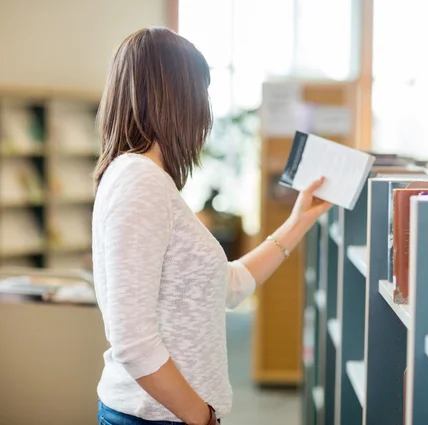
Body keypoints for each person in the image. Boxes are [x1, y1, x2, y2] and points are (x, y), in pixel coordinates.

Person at [92, 27, 332, 425]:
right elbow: (132, 341)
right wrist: (201, 417)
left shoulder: (147, 179)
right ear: (178, 96)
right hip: (157, 417)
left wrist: (298, 222)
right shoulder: (140, 182)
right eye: (201, 91)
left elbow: (230, 284)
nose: (205, 108)